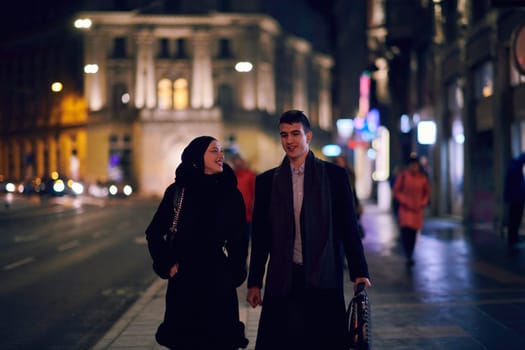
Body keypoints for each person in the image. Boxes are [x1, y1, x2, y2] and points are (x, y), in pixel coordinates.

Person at [246, 110, 371, 350]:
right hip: (283, 279)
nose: (289, 141)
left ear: (308, 136)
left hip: (323, 277)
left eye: (295, 133)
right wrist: (254, 282)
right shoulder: (267, 182)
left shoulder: (334, 176)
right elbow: (261, 237)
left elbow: (348, 226)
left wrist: (359, 271)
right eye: (284, 135)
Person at [145, 136, 249, 350]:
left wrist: (234, 272)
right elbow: (154, 233)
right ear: (197, 157)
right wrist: (167, 263)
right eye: (213, 151)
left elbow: (239, 239)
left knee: (220, 341)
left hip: (218, 281)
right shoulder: (178, 192)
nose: (220, 156)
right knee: (186, 341)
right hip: (185, 281)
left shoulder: (230, 192)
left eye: (221, 151)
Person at [393, 154, 430, 267]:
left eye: (416, 165)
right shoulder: (403, 176)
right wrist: (404, 200)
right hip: (405, 211)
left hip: (417, 211)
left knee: (413, 234)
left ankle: (410, 254)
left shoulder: (422, 178)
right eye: (412, 165)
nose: (414, 167)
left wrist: (422, 203)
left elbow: (427, 193)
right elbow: (396, 191)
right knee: (406, 233)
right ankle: (408, 255)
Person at [334, 155, 365, 238]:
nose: (340, 164)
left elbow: (354, 191)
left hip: (349, 202)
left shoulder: (350, 174)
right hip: (337, 204)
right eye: (338, 162)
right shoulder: (332, 174)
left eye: (341, 162)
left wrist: (358, 205)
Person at [503, 152, 525, 253]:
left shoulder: (514, 166)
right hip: (516, 198)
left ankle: (513, 239)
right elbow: (517, 185)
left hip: (515, 197)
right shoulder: (516, 167)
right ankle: (513, 239)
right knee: (515, 219)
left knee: (514, 219)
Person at [231, 153, 256, 235]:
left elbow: (254, 193)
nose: (237, 163)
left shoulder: (250, 175)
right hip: (234, 214)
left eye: (238, 160)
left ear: (242, 161)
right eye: (235, 161)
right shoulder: (231, 176)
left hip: (247, 215)